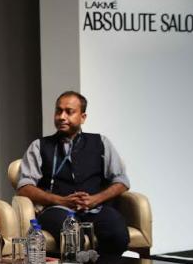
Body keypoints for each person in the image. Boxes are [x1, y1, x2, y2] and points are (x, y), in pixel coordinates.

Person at [17, 91, 130, 254]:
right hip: (56, 210)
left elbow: (122, 181)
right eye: (58, 111)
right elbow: (24, 187)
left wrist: (95, 199)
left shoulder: (100, 142)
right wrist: (60, 200)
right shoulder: (39, 146)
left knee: (118, 234)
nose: (62, 117)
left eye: (69, 112)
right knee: (72, 235)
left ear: (83, 117)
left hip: (95, 208)